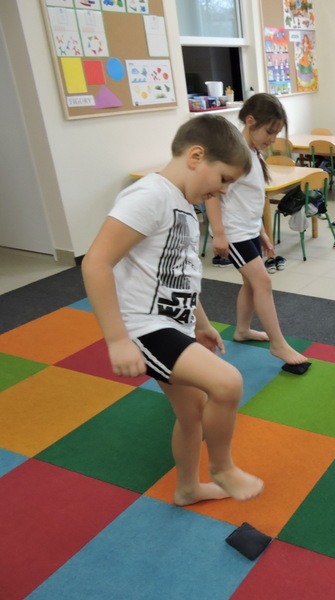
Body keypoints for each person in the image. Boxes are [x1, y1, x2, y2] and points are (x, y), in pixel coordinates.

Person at [82, 115, 263, 505]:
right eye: (224, 179)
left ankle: (187, 488)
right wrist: (117, 340)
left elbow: (179, 275)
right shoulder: (150, 195)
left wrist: (200, 323)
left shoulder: (183, 204)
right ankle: (222, 468)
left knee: (193, 411)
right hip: (143, 326)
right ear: (196, 157)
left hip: (172, 324)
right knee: (227, 383)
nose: (224, 191)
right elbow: (96, 262)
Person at [203, 93, 308, 368]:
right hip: (233, 233)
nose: (273, 139)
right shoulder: (232, 152)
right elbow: (211, 193)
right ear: (250, 121)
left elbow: (249, 197)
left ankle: (242, 330)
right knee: (263, 282)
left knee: (251, 283)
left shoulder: (252, 152)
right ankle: (278, 344)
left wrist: (261, 231)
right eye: (269, 132)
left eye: (276, 133)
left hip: (248, 228)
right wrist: (219, 233)